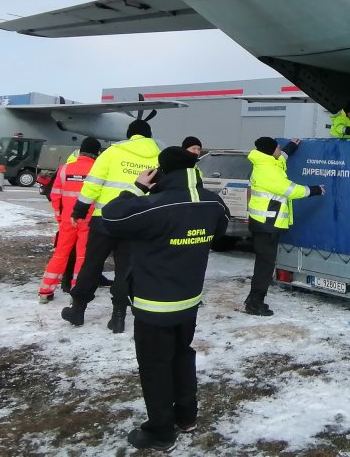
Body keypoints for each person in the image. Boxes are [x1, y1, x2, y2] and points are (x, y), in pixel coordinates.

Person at [101, 146, 229, 451]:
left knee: (155, 366)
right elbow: (220, 229)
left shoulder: (155, 205)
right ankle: (186, 417)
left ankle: (161, 432)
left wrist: (137, 187)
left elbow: (110, 217)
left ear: (162, 171)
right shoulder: (212, 202)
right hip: (189, 299)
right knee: (182, 355)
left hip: (154, 304)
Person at [61, 119, 160, 333]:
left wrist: (79, 210)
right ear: (149, 135)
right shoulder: (158, 157)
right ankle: (118, 318)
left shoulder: (113, 152)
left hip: (104, 220)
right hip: (136, 223)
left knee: (92, 265)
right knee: (125, 270)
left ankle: (77, 311)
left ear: (129, 134)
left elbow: (93, 184)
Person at [245, 136, 324, 315]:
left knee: (264, 263)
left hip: (264, 223)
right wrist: (315, 190)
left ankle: (253, 299)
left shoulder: (267, 161)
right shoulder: (267, 171)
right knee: (265, 266)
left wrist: (291, 147)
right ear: (270, 151)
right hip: (266, 225)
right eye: (278, 148)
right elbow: (291, 190)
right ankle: (255, 303)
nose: (280, 150)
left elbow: (281, 158)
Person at [37, 137, 101, 303]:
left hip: (67, 219)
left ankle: (45, 291)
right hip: (88, 220)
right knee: (82, 256)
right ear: (97, 153)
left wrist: (60, 216)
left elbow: (55, 195)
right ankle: (76, 291)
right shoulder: (98, 170)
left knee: (60, 254)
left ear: (81, 151)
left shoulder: (64, 169)